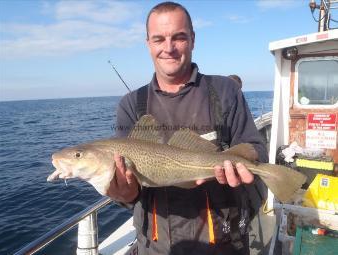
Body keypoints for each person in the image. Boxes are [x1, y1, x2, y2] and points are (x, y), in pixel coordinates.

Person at [108, 2, 268, 254]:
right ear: (148, 43)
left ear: (193, 40)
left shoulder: (225, 91)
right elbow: (131, 192)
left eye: (179, 37)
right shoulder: (131, 105)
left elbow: (255, 148)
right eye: (158, 39)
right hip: (157, 247)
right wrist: (124, 195)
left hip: (224, 244)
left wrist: (249, 167)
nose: (168, 48)